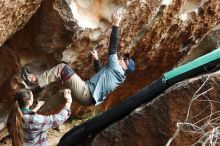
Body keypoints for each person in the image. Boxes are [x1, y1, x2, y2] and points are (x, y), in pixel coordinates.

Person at [21, 9, 135, 106]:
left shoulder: (117, 69)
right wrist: (96, 60)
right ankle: (38, 109)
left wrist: (116, 24)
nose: (121, 58)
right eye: (124, 57)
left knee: (62, 68)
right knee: (63, 94)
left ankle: (35, 81)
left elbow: (113, 48)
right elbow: (101, 74)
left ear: (125, 67)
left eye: (124, 59)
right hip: (87, 98)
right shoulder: (118, 76)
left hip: (85, 92)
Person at [7, 89, 72, 146]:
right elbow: (58, 119)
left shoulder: (13, 116)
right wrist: (68, 102)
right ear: (29, 101)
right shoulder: (35, 120)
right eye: (32, 97)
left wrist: (36, 108)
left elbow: (25, 116)